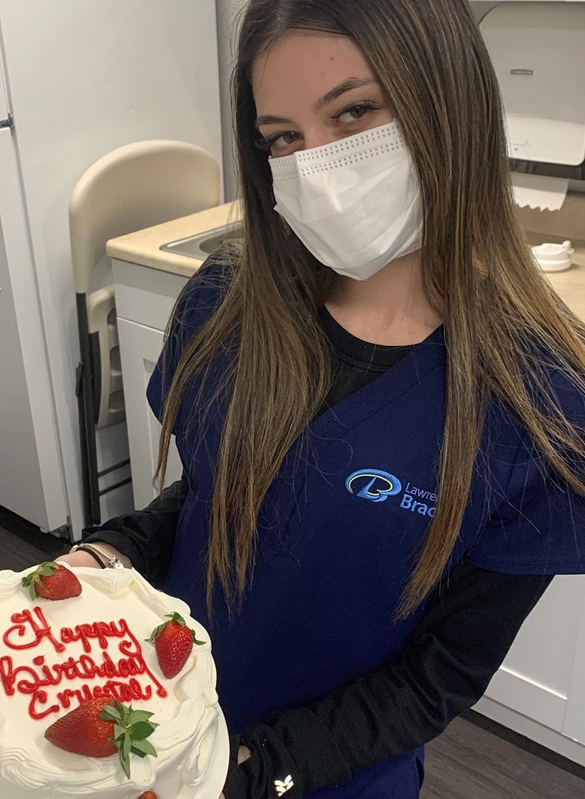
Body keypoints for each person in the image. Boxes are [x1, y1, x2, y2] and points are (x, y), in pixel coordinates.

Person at [60, 1, 585, 797]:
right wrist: (116, 549)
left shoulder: (540, 401)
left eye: (356, 111)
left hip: (328, 774)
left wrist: (256, 766)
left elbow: (442, 671)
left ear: (452, 100)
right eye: (282, 137)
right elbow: (217, 496)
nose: (317, 165)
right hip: (160, 724)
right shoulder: (224, 306)